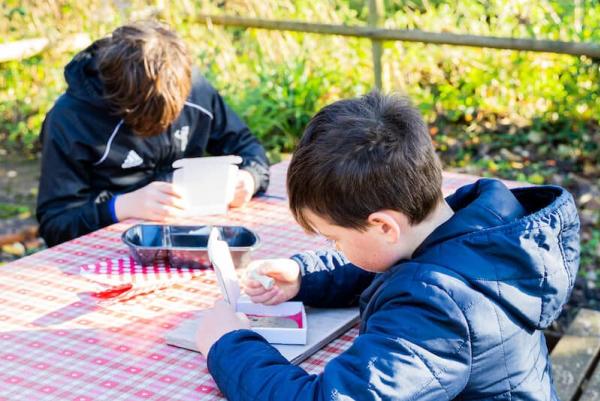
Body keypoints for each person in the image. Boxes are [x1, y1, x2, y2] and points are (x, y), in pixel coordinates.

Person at [195, 92, 580, 400]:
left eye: (336, 239)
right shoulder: (474, 230)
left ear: (382, 225)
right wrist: (304, 275)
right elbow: (404, 262)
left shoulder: (436, 312)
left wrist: (228, 346)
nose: (337, 248)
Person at [36, 21, 270, 247]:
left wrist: (249, 178)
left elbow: (249, 149)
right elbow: (56, 224)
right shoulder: (69, 119)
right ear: (120, 102)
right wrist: (121, 206)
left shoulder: (194, 90)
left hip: (189, 236)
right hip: (107, 250)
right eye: (147, 123)